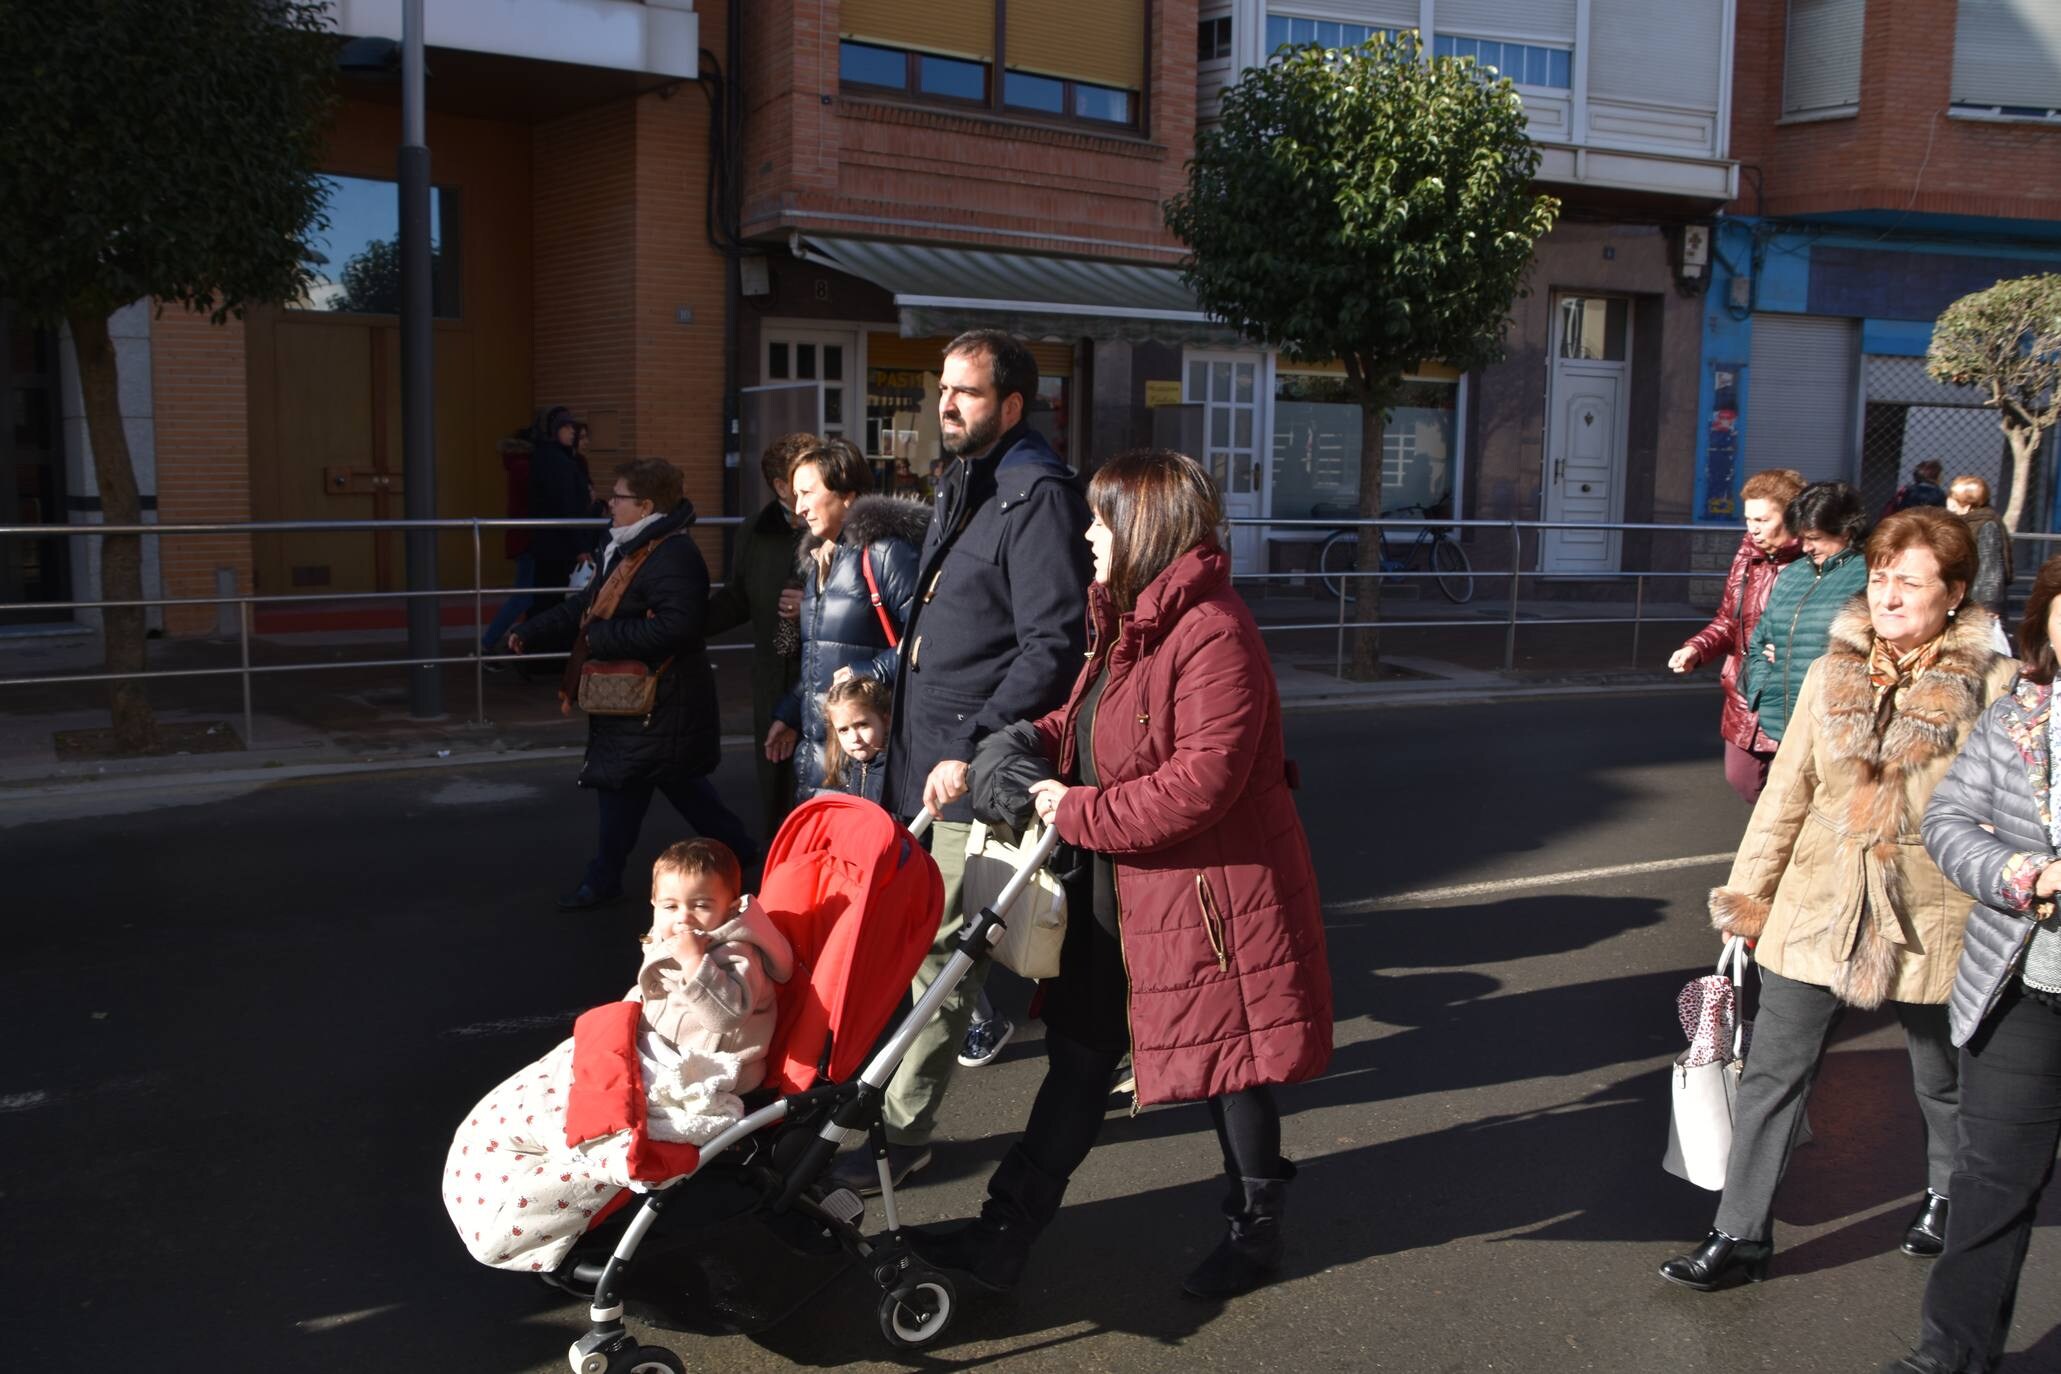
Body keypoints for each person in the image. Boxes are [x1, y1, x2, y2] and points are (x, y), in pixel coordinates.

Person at [912, 448, 1332, 1302]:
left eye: (1103, 518)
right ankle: (1005, 1235)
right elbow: (1087, 718)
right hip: (1119, 888)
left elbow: (1198, 785)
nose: (1087, 531)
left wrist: (1067, 811)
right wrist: (1025, 743)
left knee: (1229, 1065)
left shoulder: (1213, 632)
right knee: (1076, 1057)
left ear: (1146, 527)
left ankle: (1256, 1229)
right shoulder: (1135, 618)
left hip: (1206, 896)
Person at [1660, 508, 2017, 1293]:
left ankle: (1946, 1197)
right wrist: (1748, 899)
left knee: (1940, 1076)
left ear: (1954, 593)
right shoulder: (1831, 672)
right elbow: (1784, 793)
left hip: (1934, 910)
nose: (1887, 595)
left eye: (1909, 582)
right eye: (1880, 577)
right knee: (1771, 1075)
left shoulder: (1997, 687)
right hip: (1817, 898)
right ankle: (1739, 1232)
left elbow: (2014, 811)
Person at [826, 329, 1093, 1194]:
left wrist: (980, 746)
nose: (944, 405)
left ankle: (900, 1133)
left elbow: (1051, 642)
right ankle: (873, 1097)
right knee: (908, 942)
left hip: (967, 770)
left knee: (946, 952)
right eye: (942, 390)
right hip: (916, 760)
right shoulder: (964, 479)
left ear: (1011, 405)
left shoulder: (1036, 495)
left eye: (965, 393)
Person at [442, 838, 791, 1273]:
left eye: (701, 905)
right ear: (654, 904)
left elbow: (724, 1017)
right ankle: (520, 1142)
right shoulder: (683, 938)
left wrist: (695, 965)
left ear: (731, 907)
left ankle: (552, 1202)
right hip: (662, 1048)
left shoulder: (738, 954)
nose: (683, 919)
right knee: (570, 1078)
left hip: (712, 1068)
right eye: (669, 907)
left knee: (604, 1121)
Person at [1889, 555, 2061, 1374]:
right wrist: (2019, 874)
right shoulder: (2019, 716)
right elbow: (1952, 819)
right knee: (1989, 1186)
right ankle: (1947, 1359)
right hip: (2023, 983)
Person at [508, 458, 757, 910]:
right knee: (655, 788)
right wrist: (532, 629)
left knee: (644, 788)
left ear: (644, 506)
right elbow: (588, 606)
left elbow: (679, 628)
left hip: (661, 702)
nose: (609, 504)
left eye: (618, 497)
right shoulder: (626, 549)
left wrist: (602, 637)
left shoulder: (672, 555)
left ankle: (606, 879)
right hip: (640, 706)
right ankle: (611, 876)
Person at [763, 439, 925, 802]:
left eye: (807, 492)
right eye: (795, 495)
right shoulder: (820, 560)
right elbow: (821, 660)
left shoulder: (884, 554)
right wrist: (791, 714)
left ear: (847, 495)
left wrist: (871, 672)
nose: (799, 507)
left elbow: (929, 638)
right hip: (821, 753)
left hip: (868, 757)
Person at [1671, 468, 1807, 803]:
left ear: (1792, 516)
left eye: (1762, 520)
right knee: (1742, 778)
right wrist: (1696, 648)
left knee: (1790, 795)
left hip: (1792, 695)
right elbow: (1728, 620)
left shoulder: (1814, 561)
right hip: (1745, 691)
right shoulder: (1747, 554)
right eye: (1749, 519)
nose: (1752, 529)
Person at [706, 433, 814, 843]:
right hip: (773, 674)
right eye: (799, 478)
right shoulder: (756, 529)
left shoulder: (838, 523)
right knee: (775, 782)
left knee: (821, 782)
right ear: (780, 486)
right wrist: (685, 622)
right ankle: (779, 869)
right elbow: (738, 596)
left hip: (823, 675)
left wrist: (814, 604)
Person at [1743, 481, 1870, 746]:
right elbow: (1758, 642)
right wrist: (1761, 689)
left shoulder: (1870, 575)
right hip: (1782, 723)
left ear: (1846, 532)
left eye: (1815, 538)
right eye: (1802, 538)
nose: (1806, 548)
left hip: (1837, 729)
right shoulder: (1793, 574)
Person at [526, 406, 597, 618]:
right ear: (554, 431)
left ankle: (531, 641)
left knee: (547, 598)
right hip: (560, 544)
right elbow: (565, 505)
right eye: (565, 427)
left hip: (551, 541)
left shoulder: (548, 457)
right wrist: (580, 546)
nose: (572, 431)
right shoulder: (558, 462)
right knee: (555, 599)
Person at [481, 428, 538, 661]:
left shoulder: (517, 465)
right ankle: (489, 641)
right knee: (524, 595)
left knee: (526, 594)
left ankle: (510, 640)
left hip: (523, 537)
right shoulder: (525, 467)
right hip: (528, 538)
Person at [818, 674, 892, 803]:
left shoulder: (897, 769)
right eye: (843, 730)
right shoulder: (852, 768)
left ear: (885, 721)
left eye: (863, 725)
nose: (854, 738)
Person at [1946, 474, 2011, 621]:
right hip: (1962, 598)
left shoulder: (1986, 525)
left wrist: (1988, 605)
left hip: (1977, 604)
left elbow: (1991, 567)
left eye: (1953, 498)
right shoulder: (1964, 524)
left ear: (1967, 505)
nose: (1948, 501)